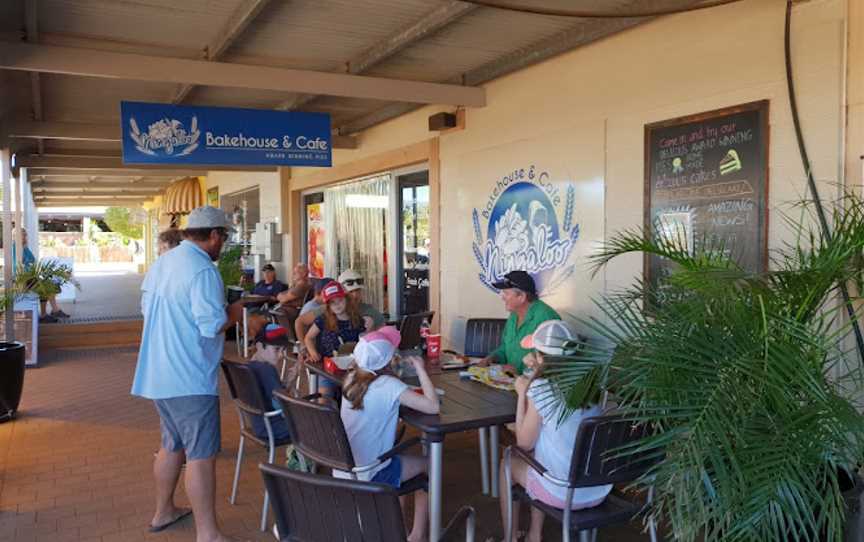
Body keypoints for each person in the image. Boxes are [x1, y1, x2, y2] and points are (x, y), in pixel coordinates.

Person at [131, 206, 245, 542]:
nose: (222, 243)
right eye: (222, 236)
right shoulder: (202, 270)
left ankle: (163, 511)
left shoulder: (163, 263)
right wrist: (236, 314)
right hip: (189, 376)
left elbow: (146, 309)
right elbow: (211, 325)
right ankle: (208, 533)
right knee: (201, 455)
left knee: (171, 445)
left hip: (158, 373)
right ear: (213, 235)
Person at [499, 320, 611, 542]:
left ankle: (510, 537)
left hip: (562, 492)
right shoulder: (592, 386)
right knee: (541, 457)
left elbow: (523, 443)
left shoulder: (542, 389)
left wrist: (523, 393)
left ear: (540, 357)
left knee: (508, 462)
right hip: (598, 489)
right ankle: (534, 534)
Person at [337, 327, 439, 542]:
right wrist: (421, 370)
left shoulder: (350, 378)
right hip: (371, 473)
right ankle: (417, 534)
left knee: (401, 455)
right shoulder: (389, 385)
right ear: (386, 361)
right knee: (432, 464)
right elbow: (432, 406)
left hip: (345, 468)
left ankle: (395, 522)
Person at [480, 270, 561, 375]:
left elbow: (551, 362)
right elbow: (505, 347)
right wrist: (492, 357)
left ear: (522, 297)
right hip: (512, 382)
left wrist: (519, 372)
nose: (502, 298)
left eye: (506, 293)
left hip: (533, 387)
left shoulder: (547, 318)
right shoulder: (514, 314)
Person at [304, 281, 367, 397]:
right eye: (333, 303)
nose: (337, 305)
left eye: (340, 301)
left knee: (358, 395)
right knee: (324, 397)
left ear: (347, 300)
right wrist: (313, 352)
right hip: (327, 368)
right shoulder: (323, 320)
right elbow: (308, 337)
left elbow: (365, 341)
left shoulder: (357, 320)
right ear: (328, 306)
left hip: (352, 367)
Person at [294, 268, 385, 346]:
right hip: (328, 359)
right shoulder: (329, 309)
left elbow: (384, 336)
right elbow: (300, 322)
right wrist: (305, 348)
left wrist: (372, 329)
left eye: (358, 290)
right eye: (351, 292)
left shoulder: (370, 312)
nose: (355, 295)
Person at [14, 228, 69, 322]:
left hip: (31, 277)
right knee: (45, 287)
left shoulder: (25, 248)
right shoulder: (15, 248)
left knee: (51, 284)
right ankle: (46, 314)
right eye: (23, 235)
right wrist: (28, 266)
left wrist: (30, 266)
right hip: (22, 279)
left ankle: (54, 310)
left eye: (25, 235)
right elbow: (17, 266)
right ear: (17, 236)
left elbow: (33, 261)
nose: (25, 237)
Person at [294, 277, 333, 343]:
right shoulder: (314, 308)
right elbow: (299, 323)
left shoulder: (317, 305)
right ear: (320, 292)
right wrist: (304, 345)